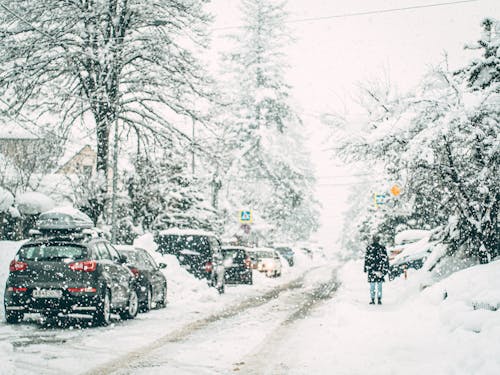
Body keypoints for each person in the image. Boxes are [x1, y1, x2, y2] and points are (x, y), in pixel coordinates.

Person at [364, 234, 389, 305]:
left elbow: (367, 259)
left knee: (373, 285)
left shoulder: (369, 248)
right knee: (379, 285)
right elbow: (385, 259)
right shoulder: (382, 248)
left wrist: (366, 268)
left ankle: (373, 299)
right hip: (379, 268)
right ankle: (379, 299)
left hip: (372, 269)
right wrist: (385, 268)